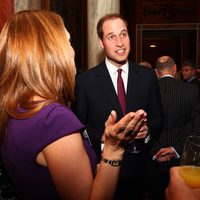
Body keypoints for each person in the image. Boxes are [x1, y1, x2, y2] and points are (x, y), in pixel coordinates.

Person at [0, 10, 148, 200]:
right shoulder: (53, 119)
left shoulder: (17, 109)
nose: (72, 50)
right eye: (68, 42)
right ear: (52, 52)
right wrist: (114, 149)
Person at [73, 13, 164, 200]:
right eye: (111, 37)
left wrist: (146, 132)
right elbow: (80, 128)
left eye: (123, 34)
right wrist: (109, 139)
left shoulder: (147, 76)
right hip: (103, 174)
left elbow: (158, 118)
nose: (120, 43)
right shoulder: (85, 81)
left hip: (141, 175)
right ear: (101, 42)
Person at [148, 56, 199, 200]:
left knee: (154, 195)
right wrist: (176, 148)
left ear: (156, 72)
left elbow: (142, 124)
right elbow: (195, 125)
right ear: (175, 68)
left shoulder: (146, 91)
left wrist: (155, 149)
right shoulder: (192, 91)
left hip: (152, 158)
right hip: (180, 159)